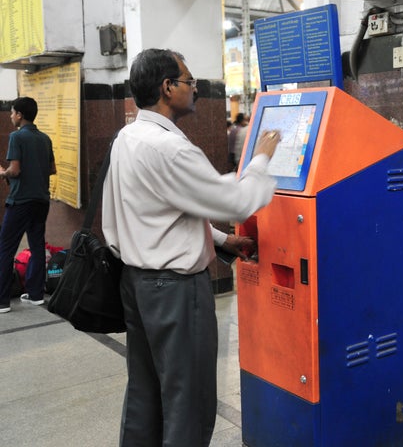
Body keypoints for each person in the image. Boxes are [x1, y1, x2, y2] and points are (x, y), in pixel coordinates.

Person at [101, 48, 280, 447]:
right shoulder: (170, 148)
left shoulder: (127, 137)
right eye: (188, 80)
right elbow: (235, 200)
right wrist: (262, 159)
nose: (195, 87)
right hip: (176, 291)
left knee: (145, 395)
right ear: (167, 88)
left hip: (137, 285)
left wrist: (220, 240)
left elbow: (157, 210)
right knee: (190, 400)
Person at [0, 97, 56, 313]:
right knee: (36, 245)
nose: (11, 116)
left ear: (20, 115)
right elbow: (52, 169)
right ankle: (35, 295)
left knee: (5, 248)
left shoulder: (17, 137)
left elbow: (15, 169)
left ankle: (3, 301)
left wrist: (4, 173)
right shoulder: (45, 138)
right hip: (41, 200)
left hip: (20, 200)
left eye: (12, 112)